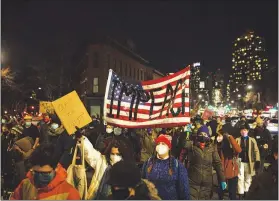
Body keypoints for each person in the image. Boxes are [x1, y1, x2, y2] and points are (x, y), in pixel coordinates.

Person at [10, 144, 80, 200]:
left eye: (45, 173)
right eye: (36, 172)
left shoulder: (69, 193)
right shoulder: (25, 185)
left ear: (55, 169)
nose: (40, 176)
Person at [142, 134, 190, 200]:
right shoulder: (148, 162)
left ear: (169, 147)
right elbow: (142, 183)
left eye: (163, 144)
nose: (160, 145)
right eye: (158, 143)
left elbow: (184, 190)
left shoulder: (176, 165)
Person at [186, 125, 226, 200]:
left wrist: (222, 179)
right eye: (200, 134)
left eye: (205, 134)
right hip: (192, 182)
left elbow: (217, 164)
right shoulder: (192, 146)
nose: (202, 136)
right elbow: (184, 146)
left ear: (208, 135)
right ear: (197, 135)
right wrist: (186, 133)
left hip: (206, 183)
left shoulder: (212, 148)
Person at [236, 125, 261, 199]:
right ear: (240, 131)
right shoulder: (237, 139)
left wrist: (257, 161)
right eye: (242, 130)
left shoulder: (252, 140)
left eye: (245, 130)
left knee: (248, 178)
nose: (244, 132)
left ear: (248, 131)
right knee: (240, 178)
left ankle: (246, 192)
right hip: (240, 162)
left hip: (250, 162)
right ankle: (240, 193)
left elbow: (256, 151)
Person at [216, 131, 242, 200]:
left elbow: (239, 150)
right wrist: (218, 141)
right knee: (221, 192)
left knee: (232, 193)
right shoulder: (219, 147)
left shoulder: (232, 147)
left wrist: (230, 137)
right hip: (222, 173)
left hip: (232, 173)